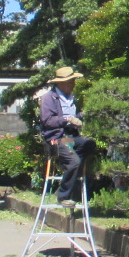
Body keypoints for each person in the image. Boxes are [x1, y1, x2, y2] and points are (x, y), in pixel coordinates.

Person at [38, 66, 95, 204]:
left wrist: (83, 115)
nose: (74, 84)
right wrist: (67, 119)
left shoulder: (71, 98)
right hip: (58, 138)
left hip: (71, 137)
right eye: (71, 81)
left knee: (90, 144)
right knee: (74, 162)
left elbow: (74, 116)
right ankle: (63, 196)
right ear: (62, 83)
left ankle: (73, 172)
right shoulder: (49, 98)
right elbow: (47, 120)